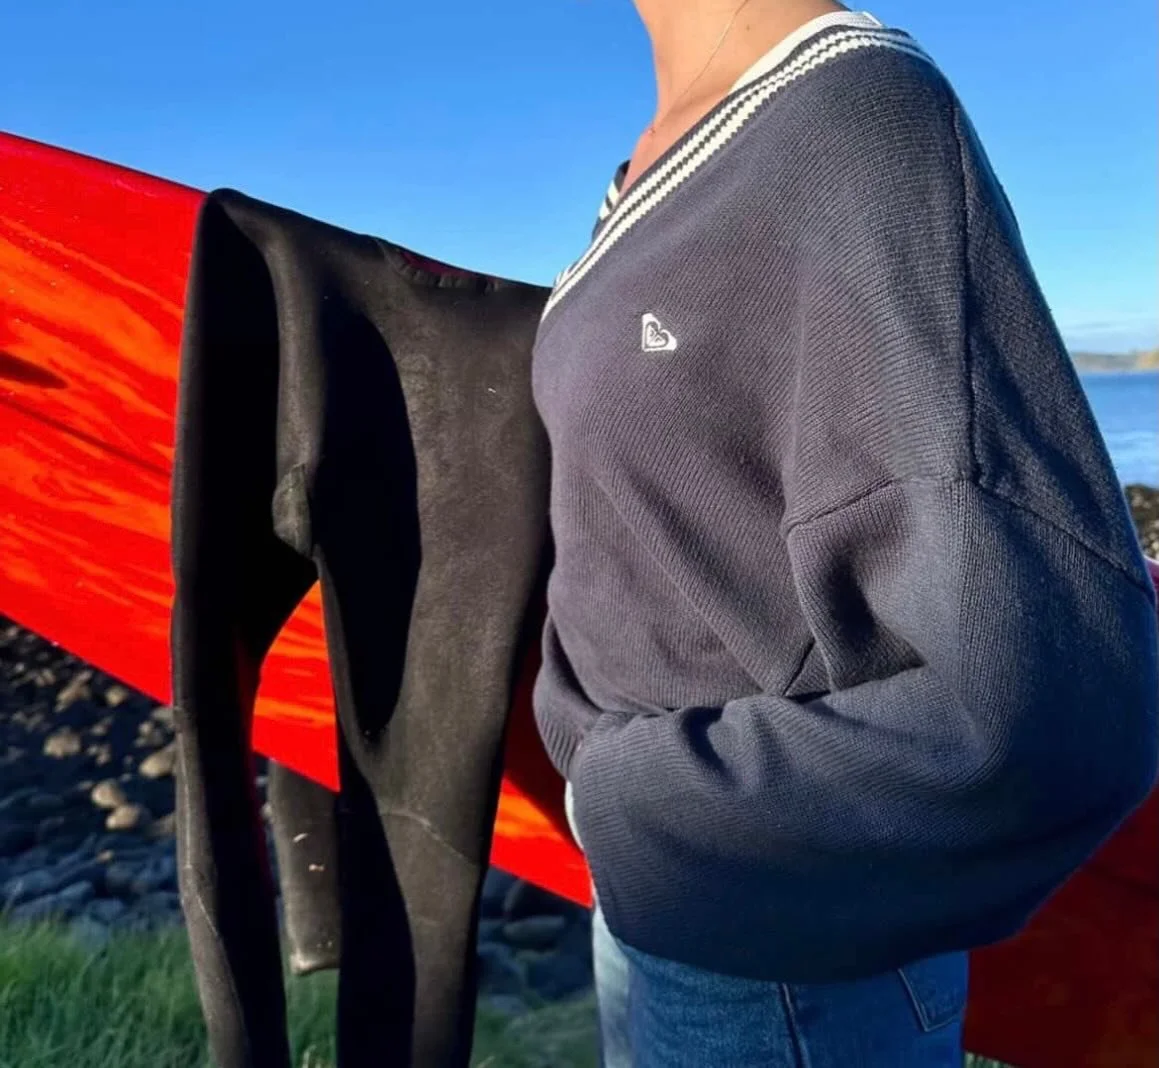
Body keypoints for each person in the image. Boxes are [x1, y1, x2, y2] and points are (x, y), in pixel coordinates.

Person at [530, 1, 1159, 1066]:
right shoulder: (647, 171)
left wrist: (629, 796)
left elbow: (1050, 706)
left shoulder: (847, 119)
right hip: (655, 897)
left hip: (781, 961)